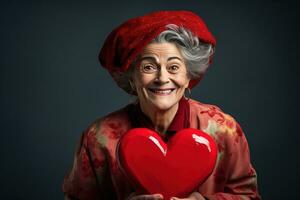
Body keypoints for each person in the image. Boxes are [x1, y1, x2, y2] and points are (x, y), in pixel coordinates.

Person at [62, 10, 261, 200]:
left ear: (188, 76)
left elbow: (249, 196)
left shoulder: (224, 130)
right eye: (149, 67)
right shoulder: (98, 138)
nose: (162, 78)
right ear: (132, 77)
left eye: (174, 67)